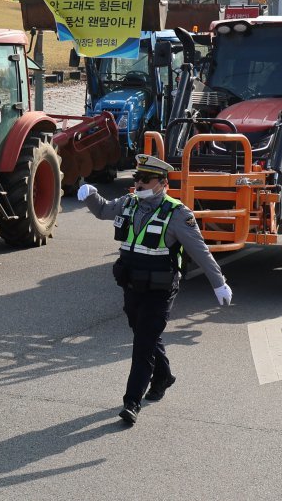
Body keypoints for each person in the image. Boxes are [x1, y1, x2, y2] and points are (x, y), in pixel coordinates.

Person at [77, 155, 233, 425]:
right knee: (143, 333)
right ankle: (163, 376)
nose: (138, 183)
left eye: (145, 179)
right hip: (132, 285)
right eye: (137, 178)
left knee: (143, 344)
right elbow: (103, 210)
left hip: (160, 289)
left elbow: (200, 251)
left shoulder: (178, 214)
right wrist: (91, 195)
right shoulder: (129, 203)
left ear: (162, 183)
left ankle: (132, 402)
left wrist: (218, 283)